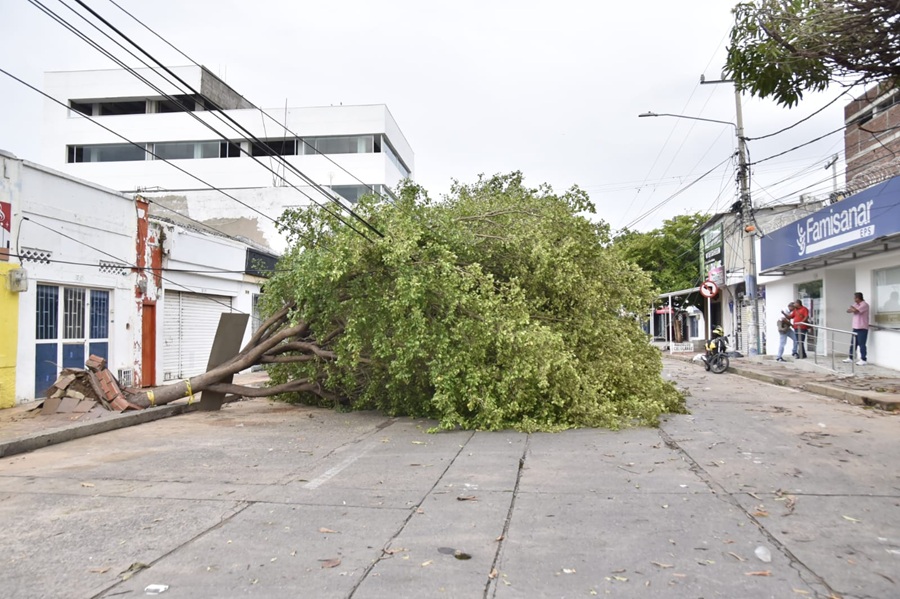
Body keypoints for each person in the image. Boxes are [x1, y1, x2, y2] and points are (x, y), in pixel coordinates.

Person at [843, 292, 870, 365]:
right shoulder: (856, 304)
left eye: (855, 298)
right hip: (855, 327)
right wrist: (853, 309)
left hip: (862, 327)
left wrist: (853, 309)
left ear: (858, 298)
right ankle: (851, 358)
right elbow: (848, 310)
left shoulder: (864, 305)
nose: (854, 299)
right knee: (853, 344)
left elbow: (856, 310)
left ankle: (863, 359)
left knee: (862, 344)